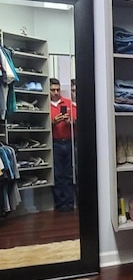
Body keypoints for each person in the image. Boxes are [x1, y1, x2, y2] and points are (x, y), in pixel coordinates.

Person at [50, 77, 76, 211]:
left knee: (69, 174)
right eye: (53, 90)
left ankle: (69, 203)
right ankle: (60, 205)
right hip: (54, 144)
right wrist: (53, 121)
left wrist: (69, 122)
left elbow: (77, 122)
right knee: (57, 175)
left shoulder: (68, 104)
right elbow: (43, 126)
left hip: (70, 142)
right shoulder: (46, 106)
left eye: (58, 89)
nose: (56, 92)